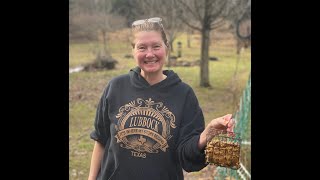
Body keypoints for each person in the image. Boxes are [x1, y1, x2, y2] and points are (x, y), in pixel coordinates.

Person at [88, 17, 235, 180]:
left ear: (166, 48)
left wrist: (207, 135)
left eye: (156, 46)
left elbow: (188, 158)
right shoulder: (115, 87)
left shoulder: (184, 95)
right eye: (142, 47)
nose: (149, 54)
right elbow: (100, 140)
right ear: (133, 50)